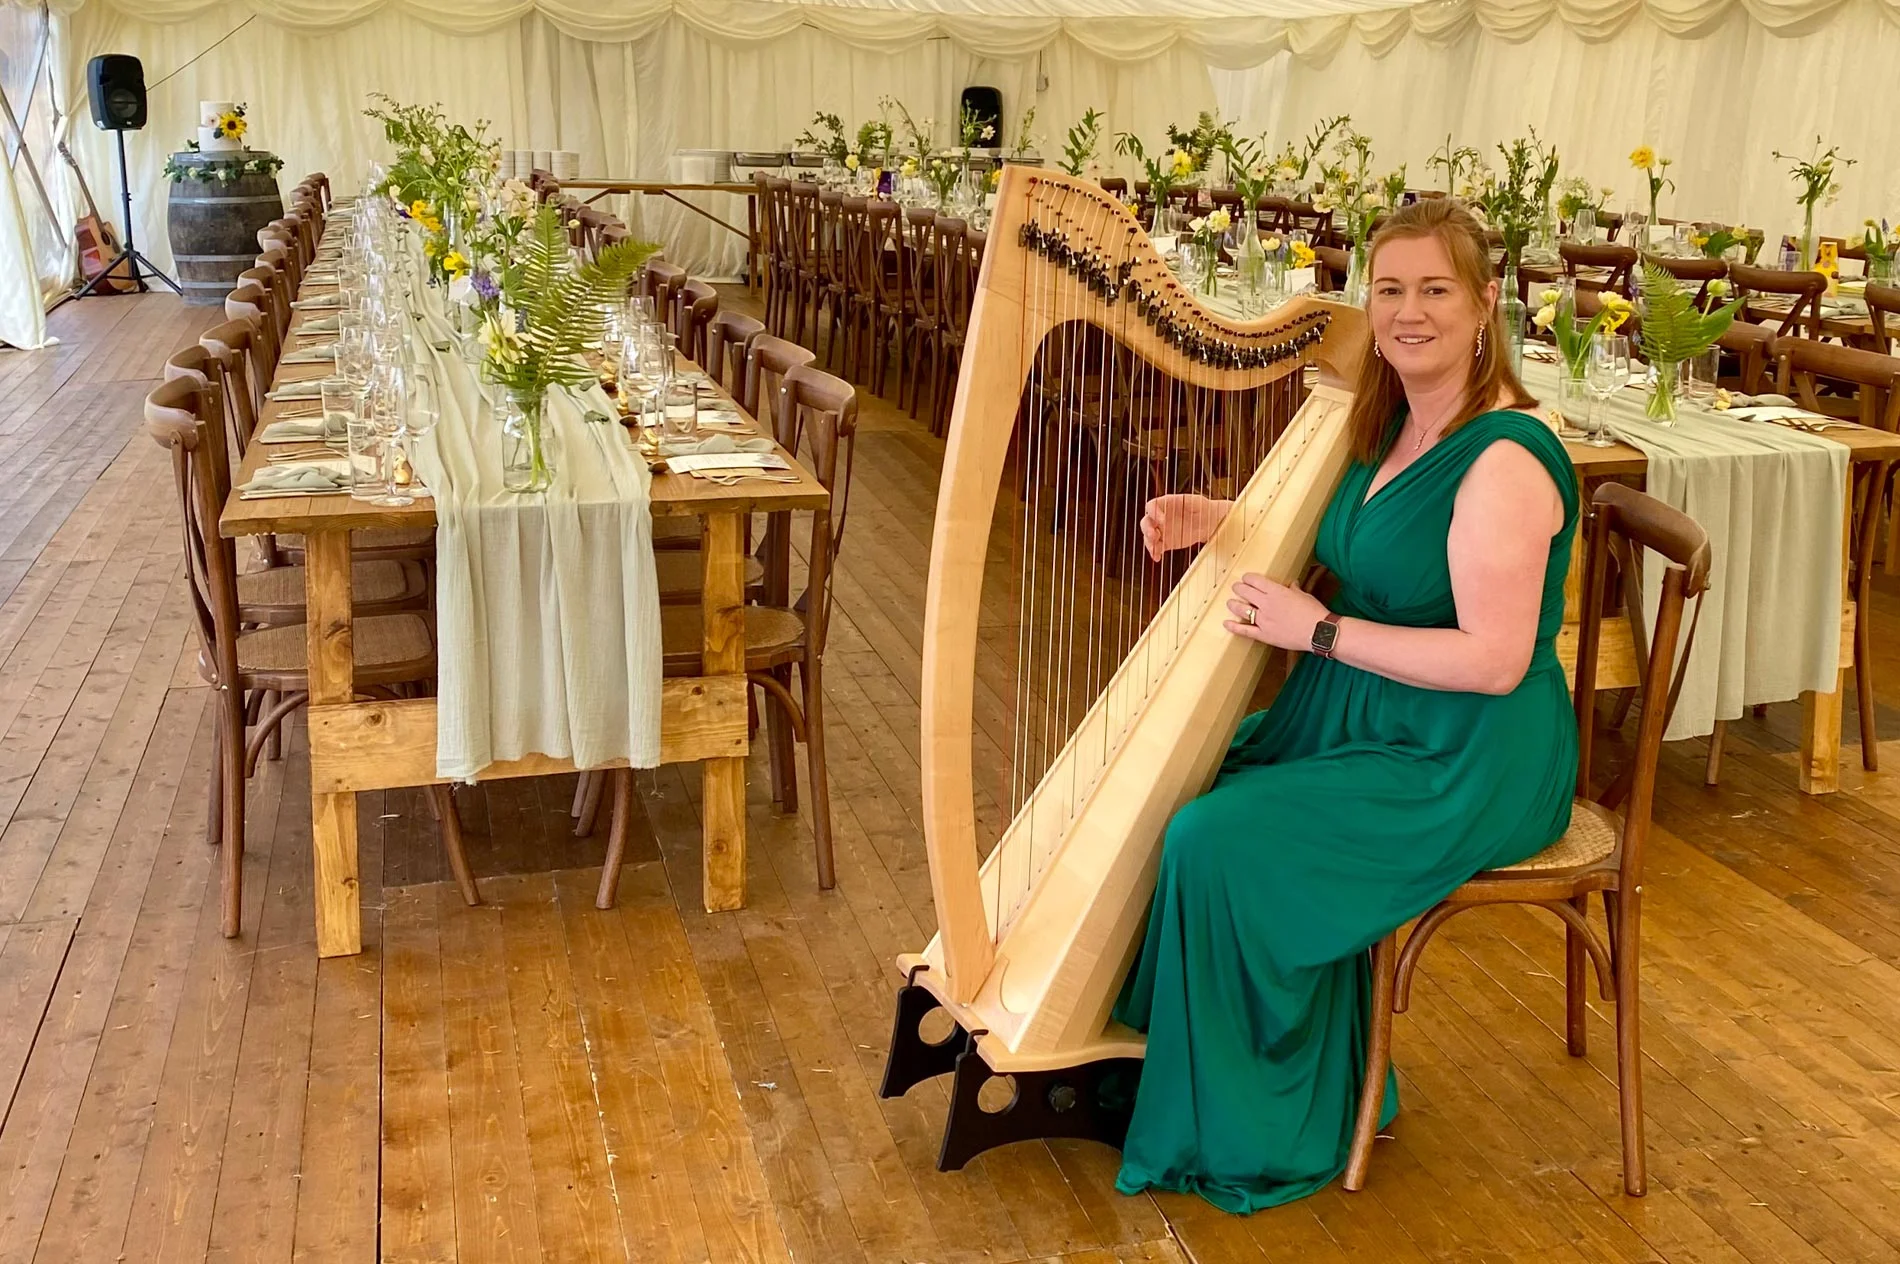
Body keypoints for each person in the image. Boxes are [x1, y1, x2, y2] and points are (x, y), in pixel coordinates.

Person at [1111, 197, 1581, 1212]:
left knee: (1217, 838)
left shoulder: (1501, 456)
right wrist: (1216, 516)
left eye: (1434, 290)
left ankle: (1271, 1114)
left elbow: (1495, 661)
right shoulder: (1395, 412)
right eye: (1391, 289)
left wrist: (1313, 632)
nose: (1408, 312)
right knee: (1200, 780)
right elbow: (1367, 543)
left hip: (1466, 752)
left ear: (1486, 302)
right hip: (1382, 712)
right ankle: (1289, 1072)